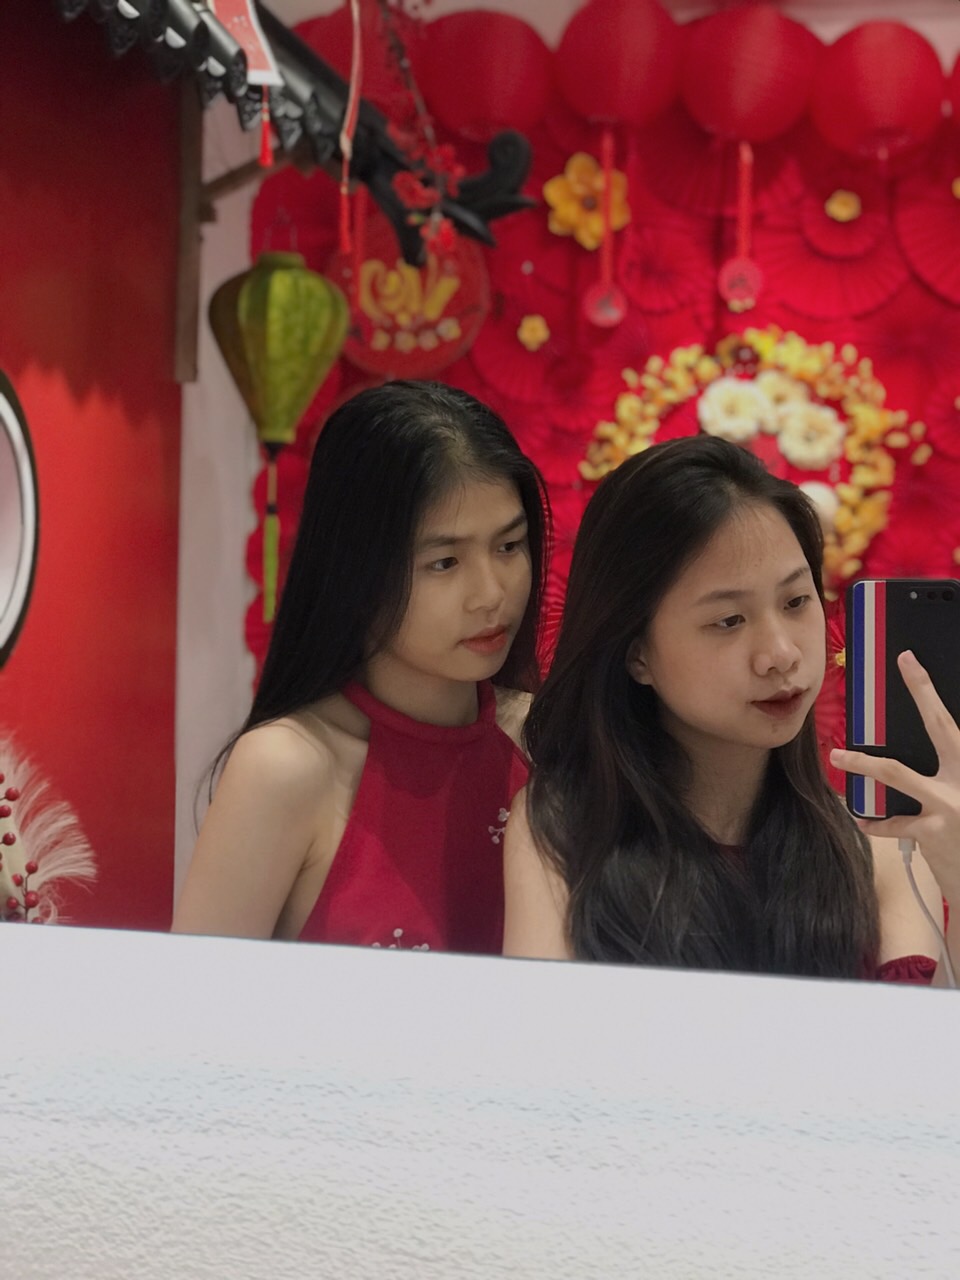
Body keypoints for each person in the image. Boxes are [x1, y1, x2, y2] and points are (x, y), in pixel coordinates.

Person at [504, 435, 953, 984]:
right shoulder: (564, 827)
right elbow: (541, 1033)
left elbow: (923, 1038)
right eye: (729, 621)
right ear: (636, 653)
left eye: (796, 601)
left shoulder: (879, 844)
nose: (781, 654)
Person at [173, 380, 549, 952]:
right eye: (444, 562)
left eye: (509, 547)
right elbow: (194, 1000)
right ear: (354, 569)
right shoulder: (286, 767)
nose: (491, 594)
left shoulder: (546, 740)